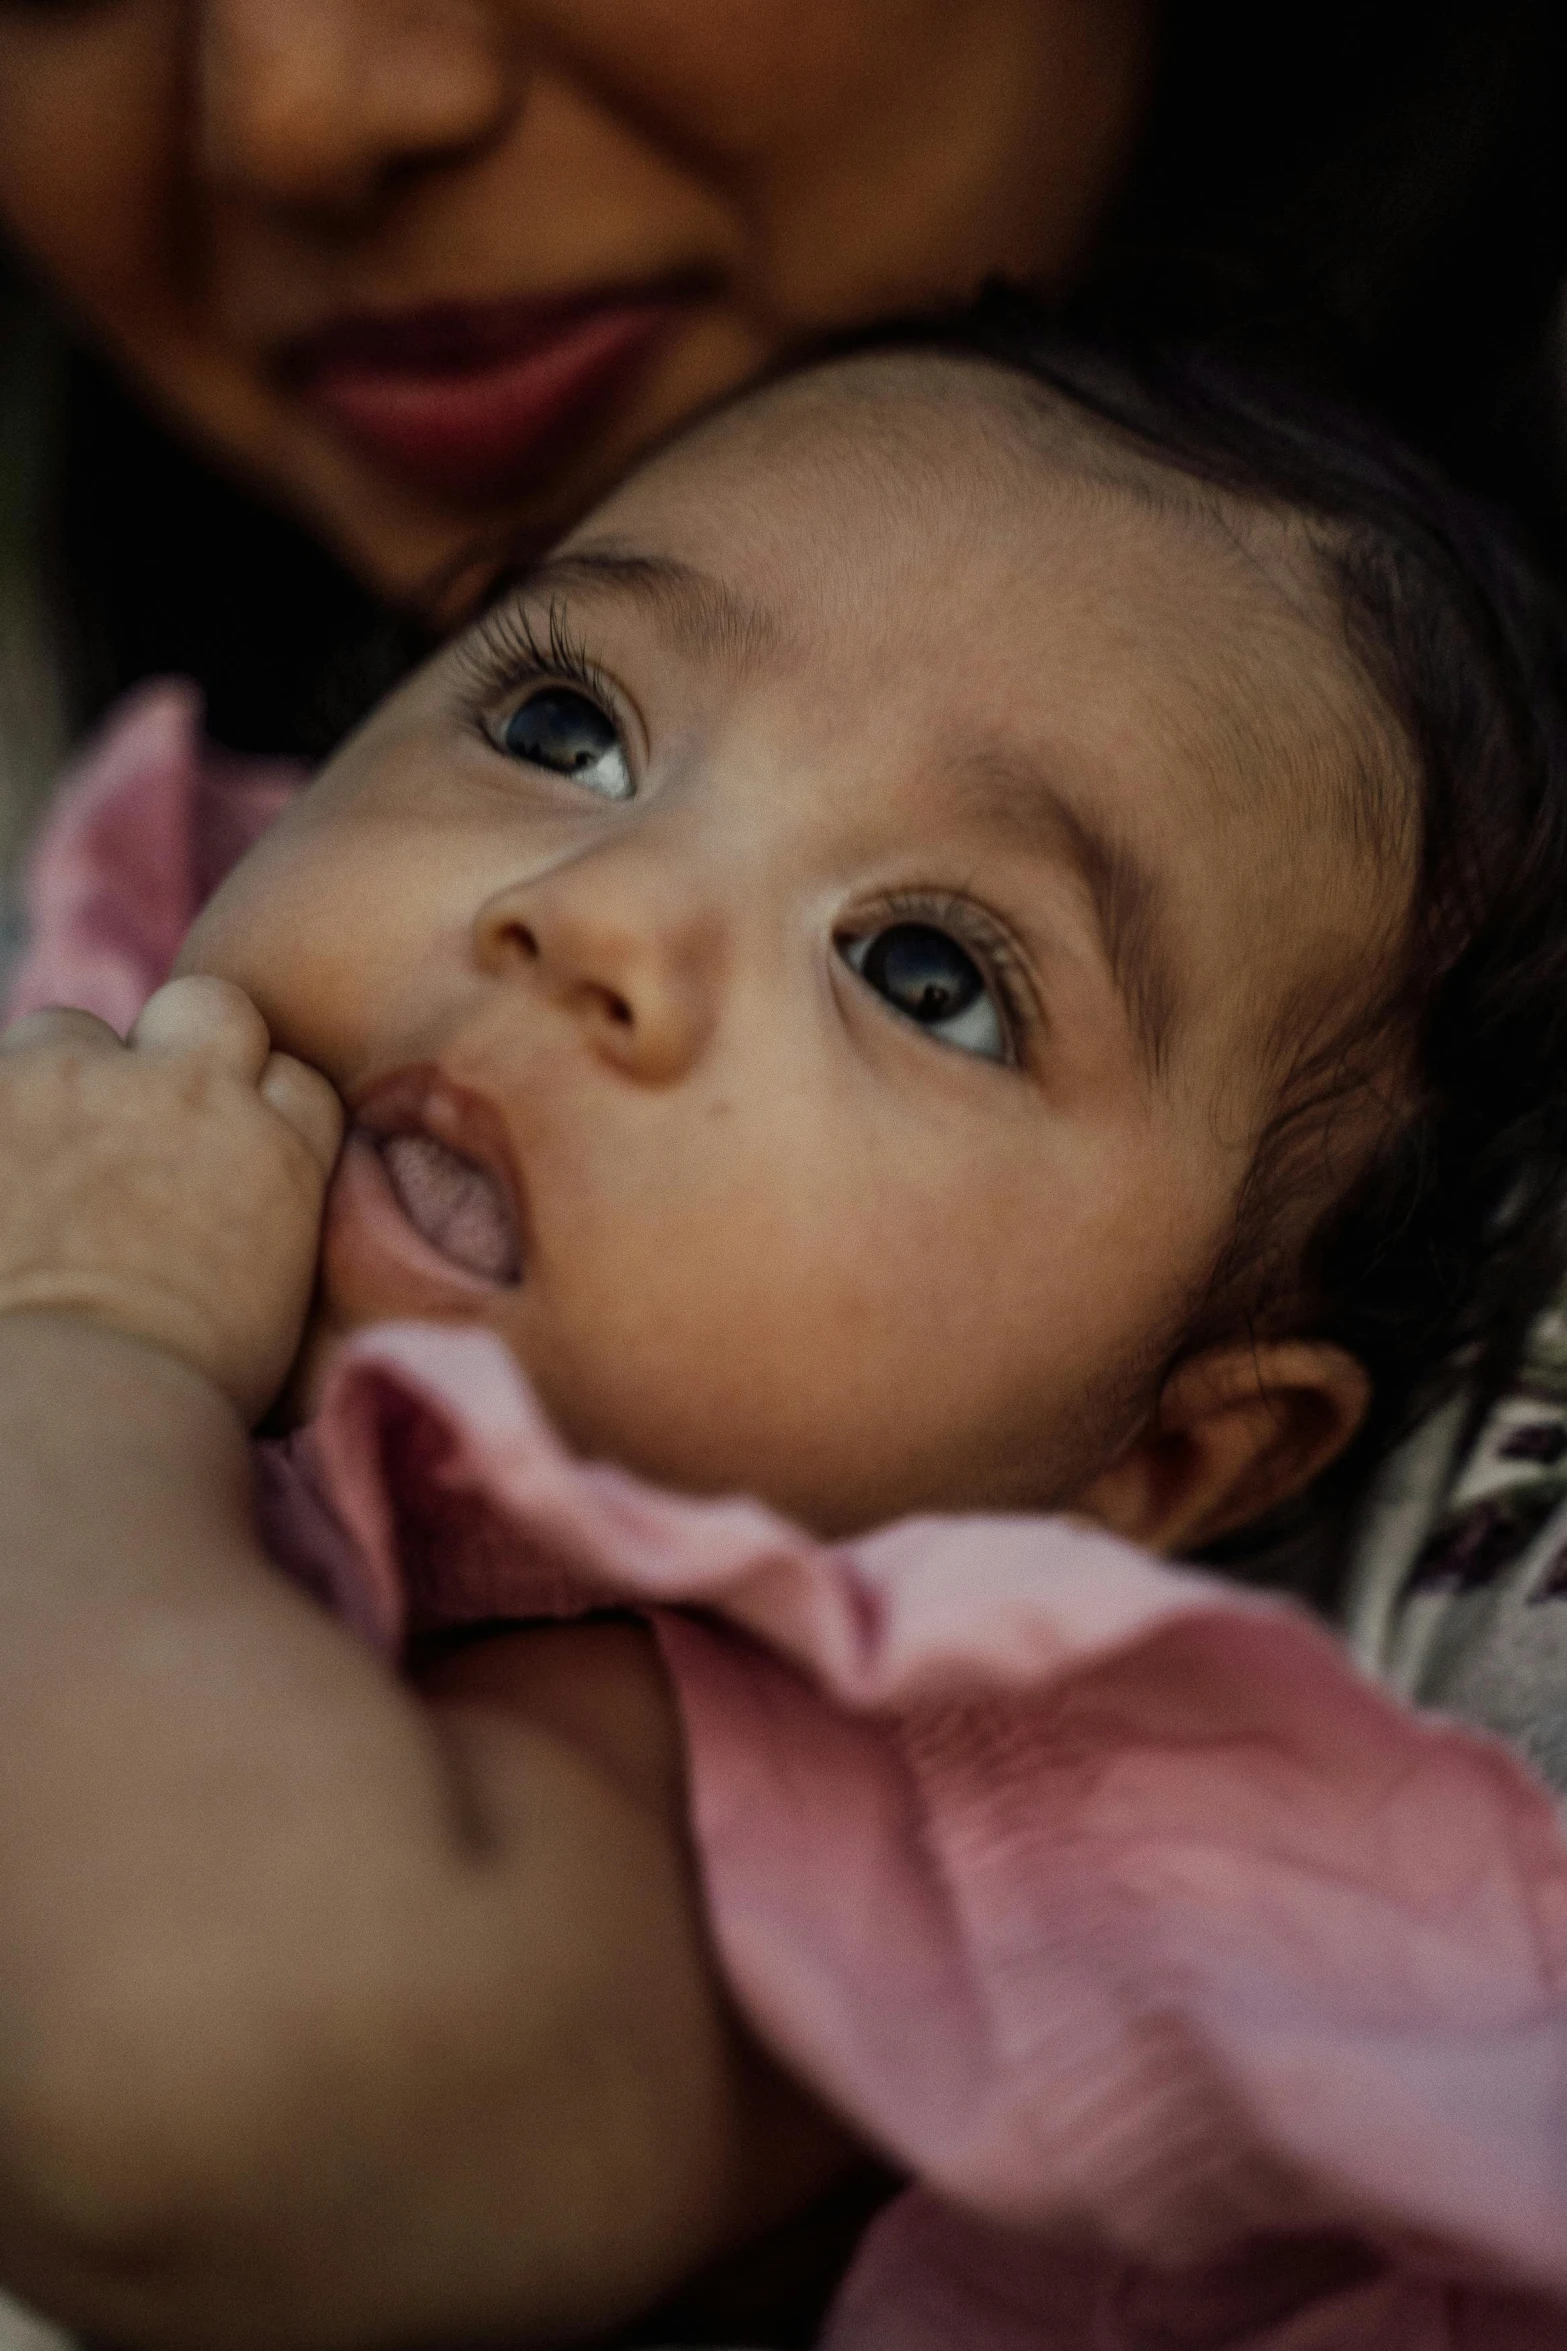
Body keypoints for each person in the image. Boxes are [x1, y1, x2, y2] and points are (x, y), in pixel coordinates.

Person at [1, 301, 1566, 2350]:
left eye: (927, 970)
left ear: (1163, 1455)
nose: (599, 912)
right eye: (569, 728)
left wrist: (91, 1336)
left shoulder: (842, 1781)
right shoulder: (115, 1025)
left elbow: (184, 2082)